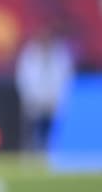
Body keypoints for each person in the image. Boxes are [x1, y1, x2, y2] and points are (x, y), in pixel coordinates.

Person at [15, 21, 75, 153]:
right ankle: (32, 152)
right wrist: (30, 96)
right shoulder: (30, 53)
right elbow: (24, 77)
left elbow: (65, 76)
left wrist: (59, 96)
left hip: (54, 98)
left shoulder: (60, 53)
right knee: (33, 127)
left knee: (52, 128)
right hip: (35, 98)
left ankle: (50, 151)